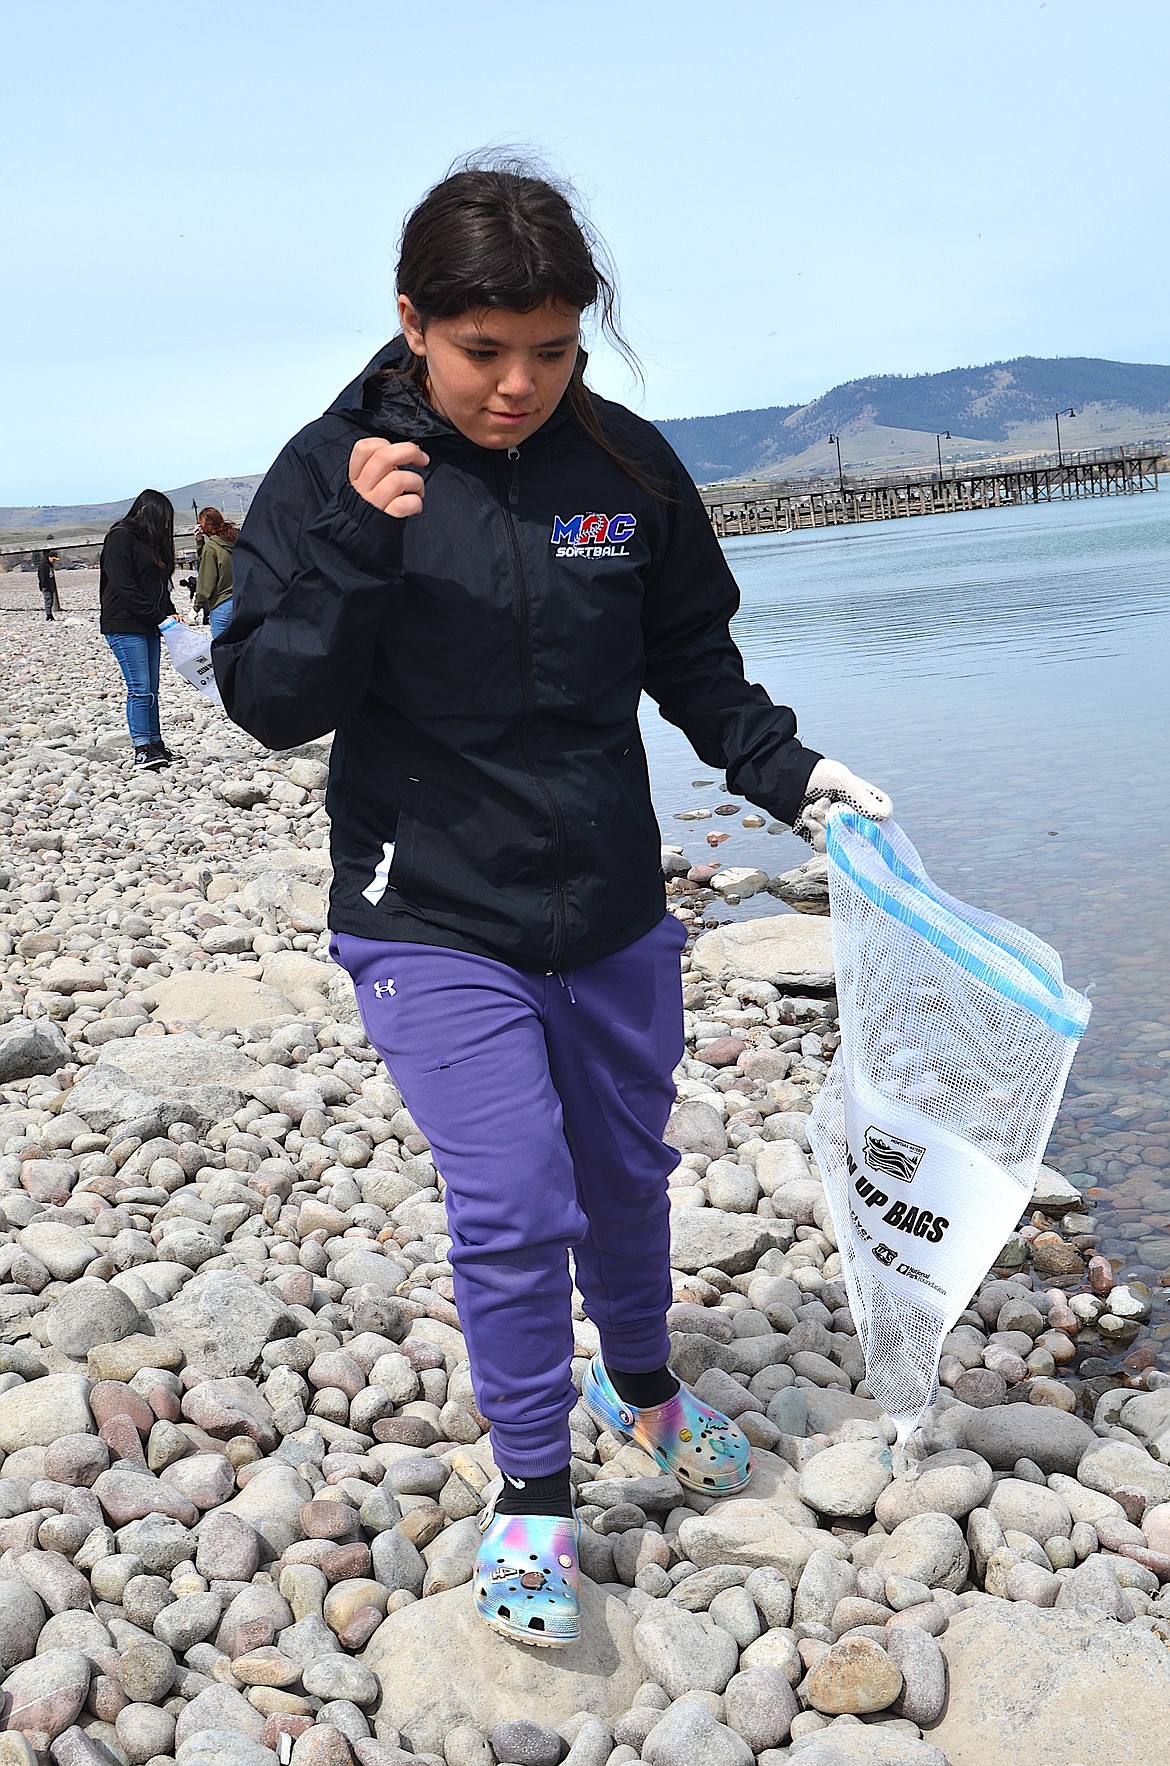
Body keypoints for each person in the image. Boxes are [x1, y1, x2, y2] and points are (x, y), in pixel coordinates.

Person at [215, 160, 891, 1648]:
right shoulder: (332, 472)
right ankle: (529, 1486)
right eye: (481, 353)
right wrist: (353, 546)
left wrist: (795, 777)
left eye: (552, 349)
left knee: (624, 1171)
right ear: (411, 323)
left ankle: (639, 1387)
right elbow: (267, 697)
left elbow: (694, 668)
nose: (518, 384)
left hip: (608, 904)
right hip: (424, 912)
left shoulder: (629, 473)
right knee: (516, 1205)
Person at [99, 489, 178, 770]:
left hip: (149, 623)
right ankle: (142, 748)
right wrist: (159, 616)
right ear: (145, 512)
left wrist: (168, 611)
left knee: (152, 689)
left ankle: (156, 744)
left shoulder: (152, 542)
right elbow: (125, 587)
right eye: (162, 520)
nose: (165, 526)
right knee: (139, 688)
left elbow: (158, 584)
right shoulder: (120, 537)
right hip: (124, 623)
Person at [191, 506, 237, 636]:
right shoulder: (232, 540)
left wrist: (196, 607)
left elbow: (206, 581)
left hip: (221, 604)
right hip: (240, 600)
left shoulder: (211, 548)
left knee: (221, 650)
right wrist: (200, 542)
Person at [36, 549, 60, 621]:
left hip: (50, 586)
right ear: (49, 557)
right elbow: (42, 576)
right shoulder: (43, 565)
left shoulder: (49, 564)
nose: (54, 561)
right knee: (48, 601)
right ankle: (48, 615)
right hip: (45, 586)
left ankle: (50, 615)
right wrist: (44, 586)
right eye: (53, 559)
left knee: (51, 601)